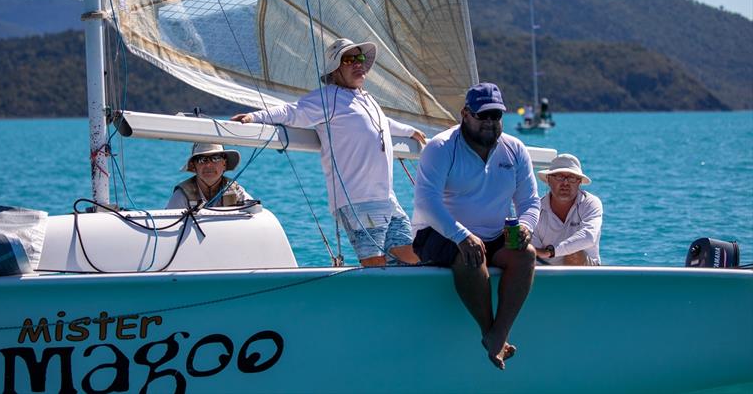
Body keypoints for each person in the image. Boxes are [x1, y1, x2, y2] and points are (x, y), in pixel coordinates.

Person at [231, 38, 426, 267]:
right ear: (335, 70)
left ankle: (401, 297)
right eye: (348, 60)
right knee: (375, 264)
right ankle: (379, 299)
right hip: (358, 201)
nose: (358, 64)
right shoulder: (327, 98)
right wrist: (256, 117)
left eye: (360, 58)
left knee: (412, 256)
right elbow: (291, 111)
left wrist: (410, 131)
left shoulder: (367, 98)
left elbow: (383, 123)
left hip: (385, 198)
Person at [412, 82, 539, 370]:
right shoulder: (441, 147)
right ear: (465, 114)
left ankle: (500, 333)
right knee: (471, 254)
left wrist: (528, 226)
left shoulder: (515, 149)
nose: (491, 123)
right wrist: (460, 235)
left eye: (496, 116)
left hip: (493, 234)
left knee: (526, 254)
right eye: (483, 116)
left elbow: (530, 201)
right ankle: (488, 332)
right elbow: (426, 203)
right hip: (438, 232)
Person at [532, 153, 602, 266]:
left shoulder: (591, 203)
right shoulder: (535, 210)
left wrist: (550, 251)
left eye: (572, 178)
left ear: (579, 182)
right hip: (546, 271)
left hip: (587, 272)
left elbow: (589, 236)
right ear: (548, 180)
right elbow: (533, 252)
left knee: (573, 254)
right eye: (559, 177)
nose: (565, 183)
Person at [167, 142, 253, 209]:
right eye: (201, 160)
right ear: (194, 166)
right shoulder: (182, 196)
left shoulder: (236, 191)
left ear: (224, 163)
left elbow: (255, 213)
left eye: (215, 158)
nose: (208, 165)